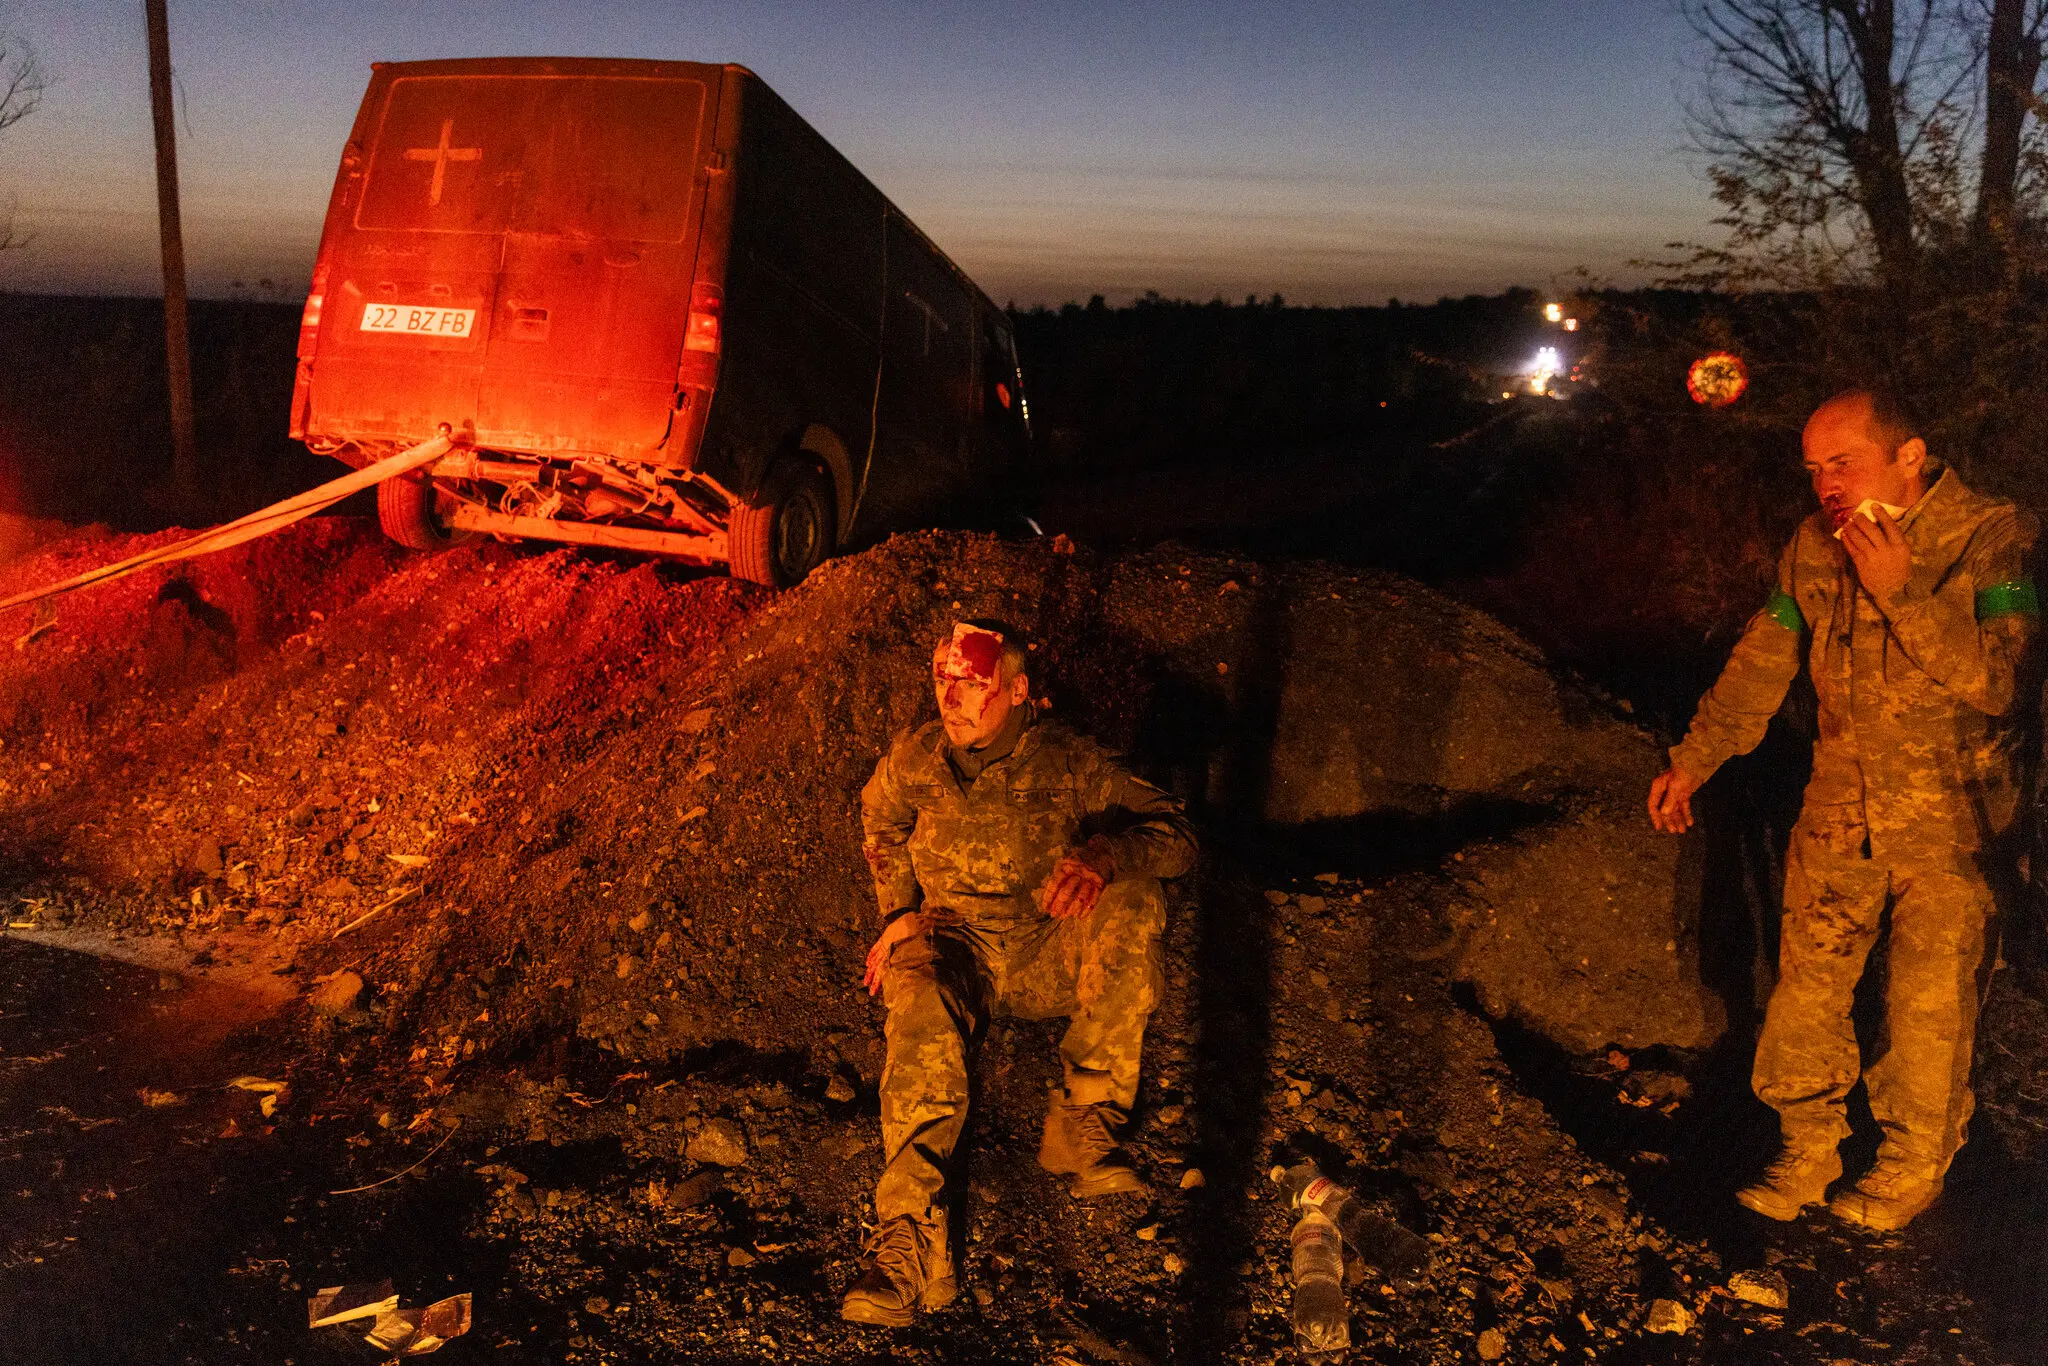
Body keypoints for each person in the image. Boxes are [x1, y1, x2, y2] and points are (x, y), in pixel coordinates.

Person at [1648, 388, 2039, 1231]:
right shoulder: (1813, 547)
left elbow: (2004, 683)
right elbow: (1766, 656)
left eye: (1842, 462)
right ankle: (1807, 1144)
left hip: (1955, 826)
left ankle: (1909, 1166)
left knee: (1927, 1008)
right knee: (1809, 993)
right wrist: (1694, 759)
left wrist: (1901, 592)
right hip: (1839, 813)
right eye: (1814, 469)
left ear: (1910, 454)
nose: (1825, 484)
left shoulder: (1995, 538)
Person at [839, 621, 1198, 1326]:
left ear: (1019, 691)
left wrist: (1105, 855)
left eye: (973, 683)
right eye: (943, 678)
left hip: (1043, 952)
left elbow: (1178, 835)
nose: (952, 696)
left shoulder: (1069, 760)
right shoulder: (918, 756)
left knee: (1134, 896)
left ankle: (1083, 1120)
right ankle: (911, 1244)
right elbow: (878, 816)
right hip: (957, 946)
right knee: (918, 1005)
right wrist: (897, 912)